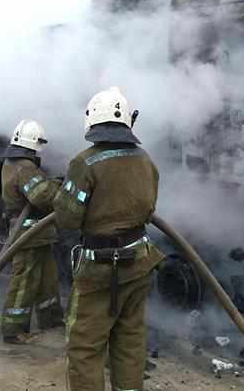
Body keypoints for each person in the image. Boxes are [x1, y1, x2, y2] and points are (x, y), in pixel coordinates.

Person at [53, 86, 164, 391]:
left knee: (85, 346)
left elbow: (66, 218)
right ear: (129, 121)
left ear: (91, 122)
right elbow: (149, 207)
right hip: (139, 263)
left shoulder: (83, 163)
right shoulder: (145, 160)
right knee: (129, 341)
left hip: (99, 272)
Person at [0, 119, 64, 344]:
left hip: (38, 234)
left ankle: (51, 320)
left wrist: (50, 182)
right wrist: (58, 185)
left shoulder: (12, 163)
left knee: (48, 280)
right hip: (27, 235)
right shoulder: (25, 168)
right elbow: (42, 197)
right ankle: (13, 329)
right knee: (24, 281)